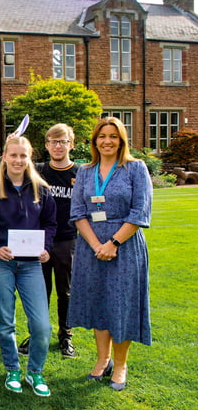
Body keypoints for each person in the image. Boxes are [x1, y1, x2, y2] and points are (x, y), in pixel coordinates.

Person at [67, 117, 152, 391]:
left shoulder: (135, 169)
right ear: (94, 141)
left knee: (121, 304)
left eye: (113, 136)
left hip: (125, 248)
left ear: (122, 140)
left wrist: (113, 243)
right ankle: (102, 360)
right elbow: (78, 212)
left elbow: (140, 212)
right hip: (90, 248)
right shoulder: (84, 171)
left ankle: (121, 363)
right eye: (102, 136)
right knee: (98, 303)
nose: (107, 141)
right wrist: (96, 246)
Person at [0, 136, 57, 397]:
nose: (18, 160)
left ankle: (35, 371)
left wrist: (46, 248)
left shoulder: (41, 189)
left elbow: (50, 224)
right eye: (13, 155)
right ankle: (12, 368)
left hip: (31, 265)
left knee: (41, 325)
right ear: (4, 156)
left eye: (23, 156)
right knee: (5, 321)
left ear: (29, 158)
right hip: (0, 263)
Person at [18, 124, 79, 358]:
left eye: (62, 141)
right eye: (53, 142)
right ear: (46, 145)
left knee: (65, 292)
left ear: (71, 144)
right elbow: (14, 166)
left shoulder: (79, 173)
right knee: (39, 291)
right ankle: (37, 334)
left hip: (66, 239)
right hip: (38, 239)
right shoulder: (39, 170)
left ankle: (66, 336)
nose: (57, 146)